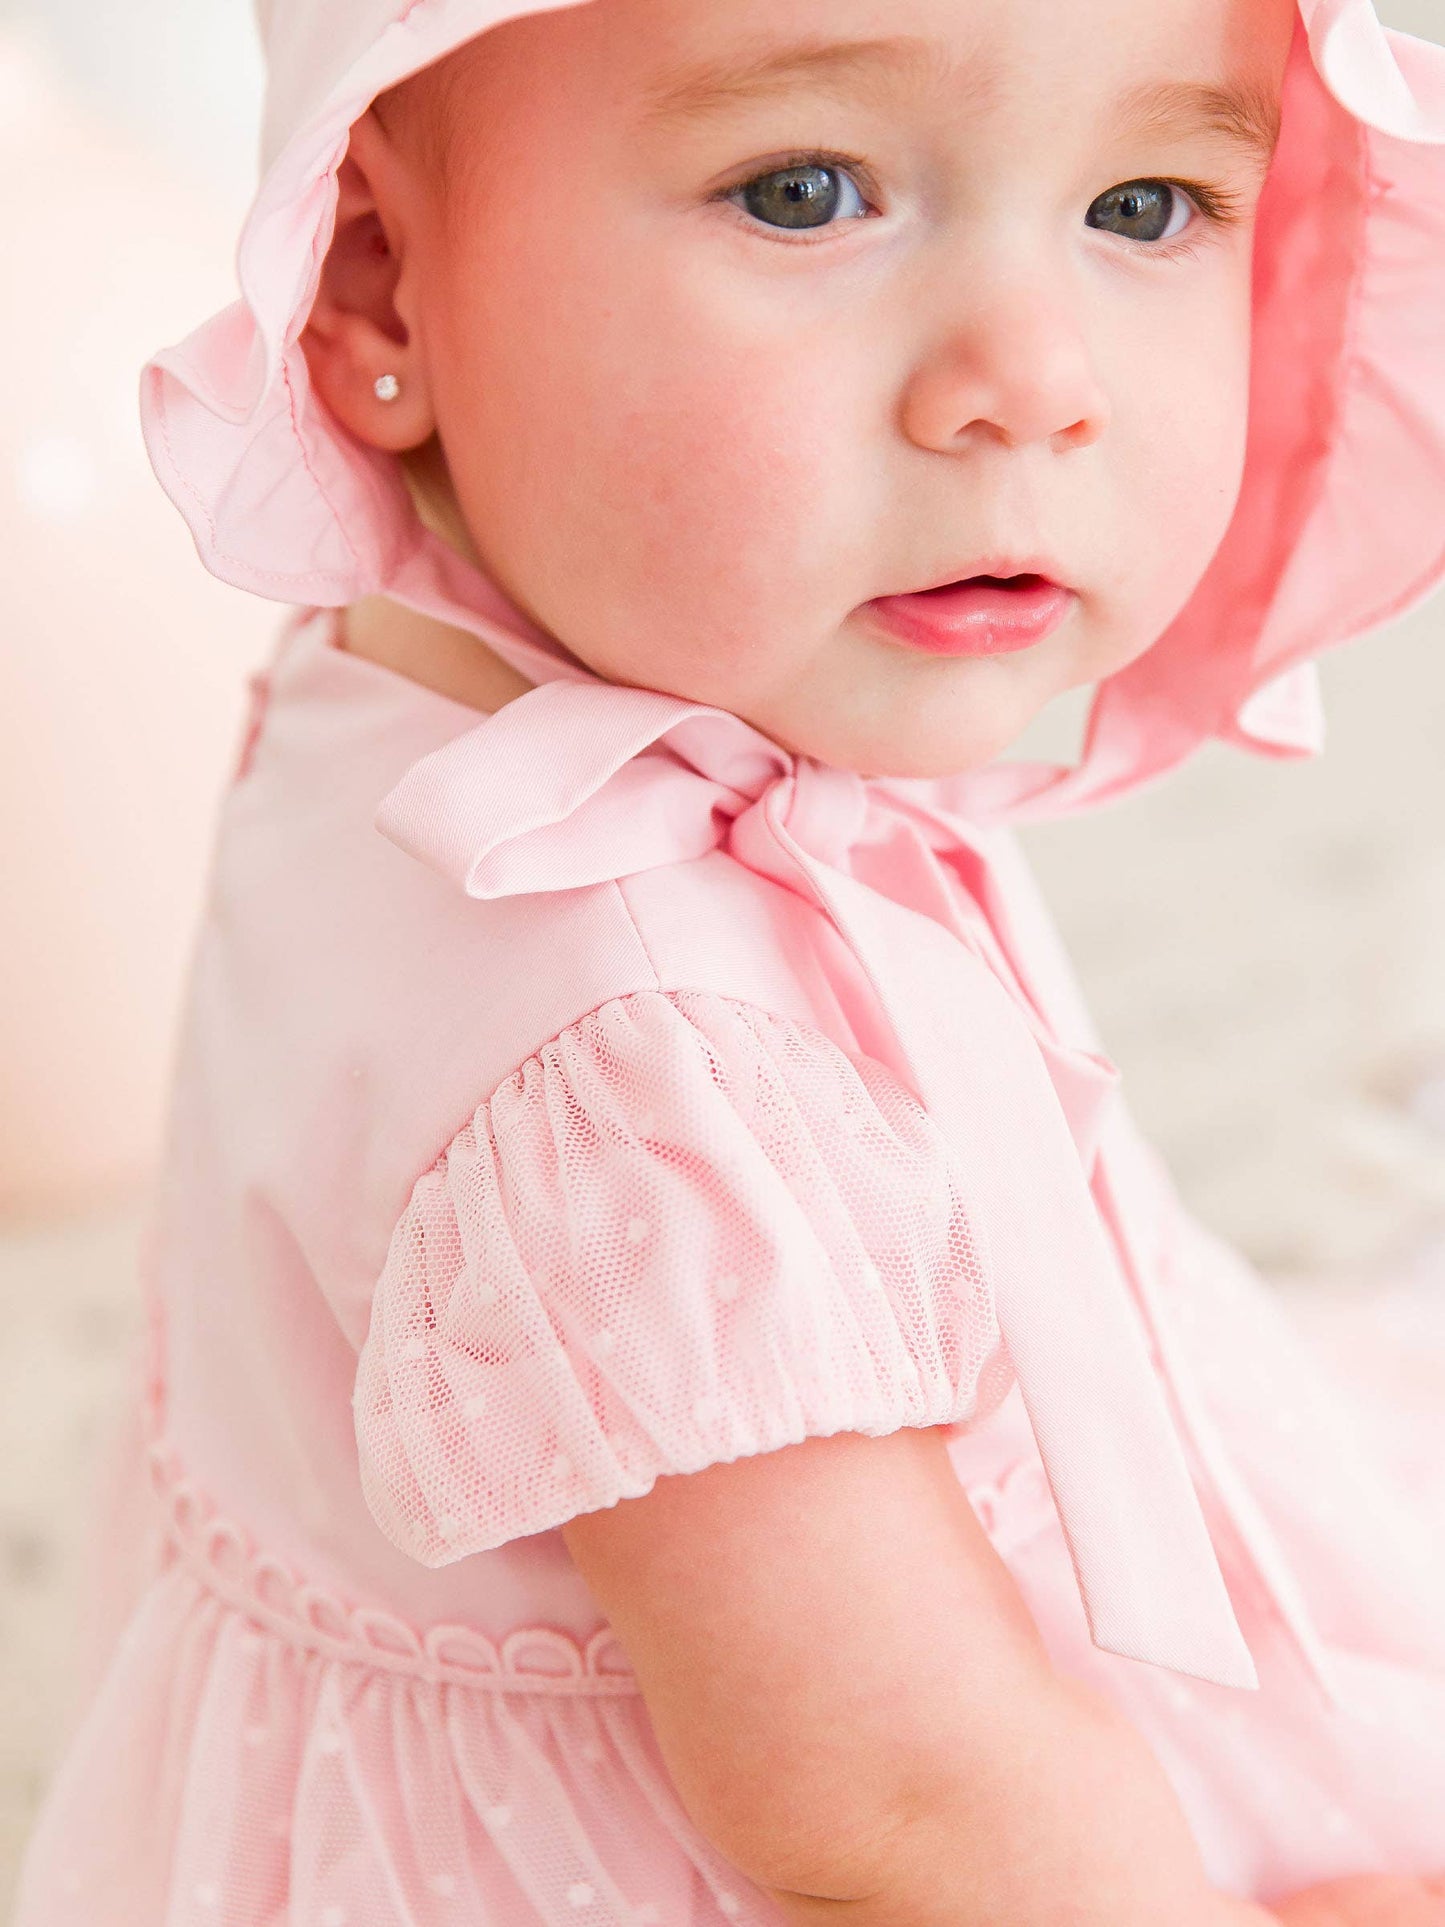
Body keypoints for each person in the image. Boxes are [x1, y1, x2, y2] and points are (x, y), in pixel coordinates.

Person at [15, 0, 1445, 1920]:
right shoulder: (640, 1073)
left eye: (1141, 201)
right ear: (381, 285)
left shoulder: (448, 676)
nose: (1026, 382)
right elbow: (902, 1811)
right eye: (804, 191)